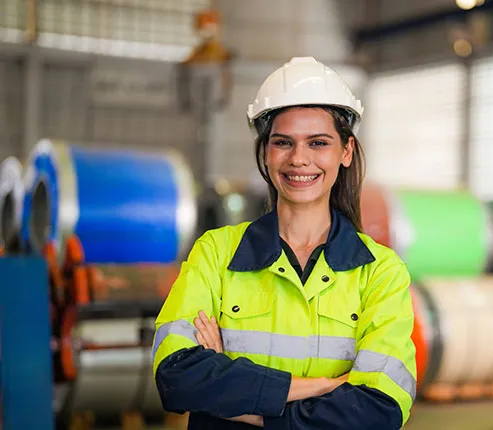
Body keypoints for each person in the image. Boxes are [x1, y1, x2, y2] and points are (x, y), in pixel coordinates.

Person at [152, 56, 417, 429]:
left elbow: (379, 409)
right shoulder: (216, 253)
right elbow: (177, 376)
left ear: (346, 152)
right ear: (265, 152)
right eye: (283, 142)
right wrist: (318, 387)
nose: (299, 159)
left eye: (318, 143)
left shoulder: (380, 272)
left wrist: (236, 397)